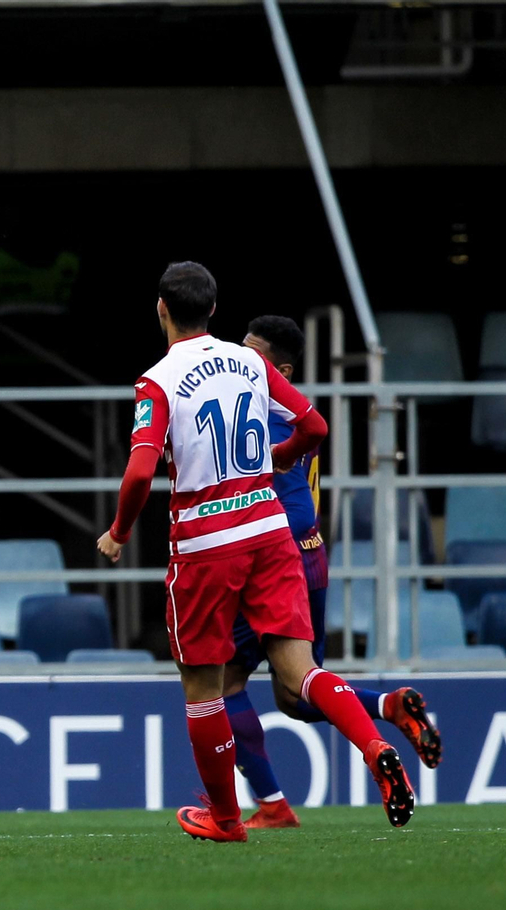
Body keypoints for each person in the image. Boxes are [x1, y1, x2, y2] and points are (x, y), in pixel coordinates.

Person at [96, 262, 415, 841]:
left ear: (161, 310)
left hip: (205, 545)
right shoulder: (251, 363)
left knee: (205, 686)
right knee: (301, 670)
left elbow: (142, 469)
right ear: (214, 309)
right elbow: (315, 426)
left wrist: (119, 531)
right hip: (270, 532)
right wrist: (283, 457)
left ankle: (225, 819)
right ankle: (373, 749)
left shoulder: (156, 381)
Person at [224, 315, 442, 829]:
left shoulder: (262, 410)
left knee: (223, 683)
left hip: (273, 558)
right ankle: (390, 706)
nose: (239, 364)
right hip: (311, 552)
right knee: (297, 694)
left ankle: (273, 806)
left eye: (251, 356)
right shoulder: (294, 410)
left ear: (281, 369)